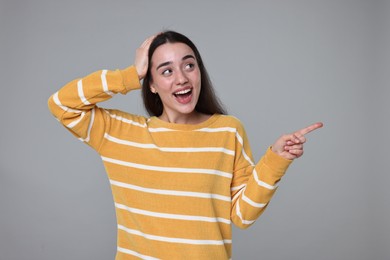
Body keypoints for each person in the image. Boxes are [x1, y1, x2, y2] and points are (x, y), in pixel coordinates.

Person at [48, 31, 323, 260]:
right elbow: (62, 104)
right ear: (152, 84)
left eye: (189, 65)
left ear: (199, 71)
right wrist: (130, 74)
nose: (181, 78)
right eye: (166, 71)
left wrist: (275, 160)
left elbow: (242, 215)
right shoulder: (121, 135)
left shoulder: (227, 131)